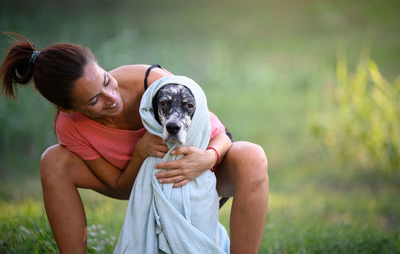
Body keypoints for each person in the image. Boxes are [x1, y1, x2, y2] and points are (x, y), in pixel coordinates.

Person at [0, 33, 269, 254]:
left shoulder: (150, 80)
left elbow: (222, 135)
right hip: (136, 182)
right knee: (52, 160)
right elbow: (119, 185)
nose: (111, 97)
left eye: (106, 80)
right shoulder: (70, 127)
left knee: (252, 157)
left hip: (194, 172)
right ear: (68, 109)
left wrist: (208, 159)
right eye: (94, 100)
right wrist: (140, 153)